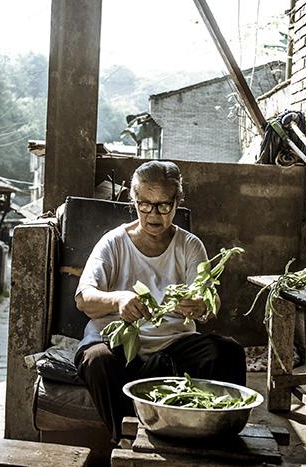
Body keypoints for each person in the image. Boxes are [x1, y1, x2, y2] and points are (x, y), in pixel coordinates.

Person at [74, 160, 246, 443]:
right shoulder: (114, 242)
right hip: (118, 343)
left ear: (178, 202)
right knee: (96, 360)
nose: (154, 214)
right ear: (134, 200)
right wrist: (119, 299)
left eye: (164, 205)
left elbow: (208, 299)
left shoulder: (189, 245)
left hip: (172, 346)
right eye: (145, 204)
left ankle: (217, 442)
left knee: (228, 352)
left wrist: (201, 304)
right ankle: (126, 441)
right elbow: (84, 298)